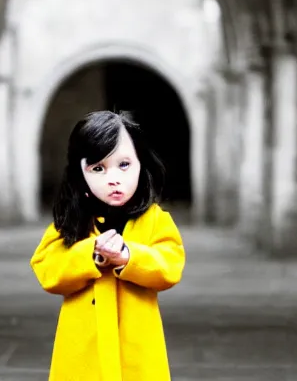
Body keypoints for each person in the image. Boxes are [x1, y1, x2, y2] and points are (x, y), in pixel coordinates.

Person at [30, 110, 185, 381]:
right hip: (83, 345)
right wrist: (91, 255)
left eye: (124, 165)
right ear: (81, 174)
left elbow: (169, 265)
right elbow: (46, 267)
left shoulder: (155, 220)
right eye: (98, 168)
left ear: (140, 165)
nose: (113, 178)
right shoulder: (72, 221)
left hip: (136, 342)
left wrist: (129, 256)